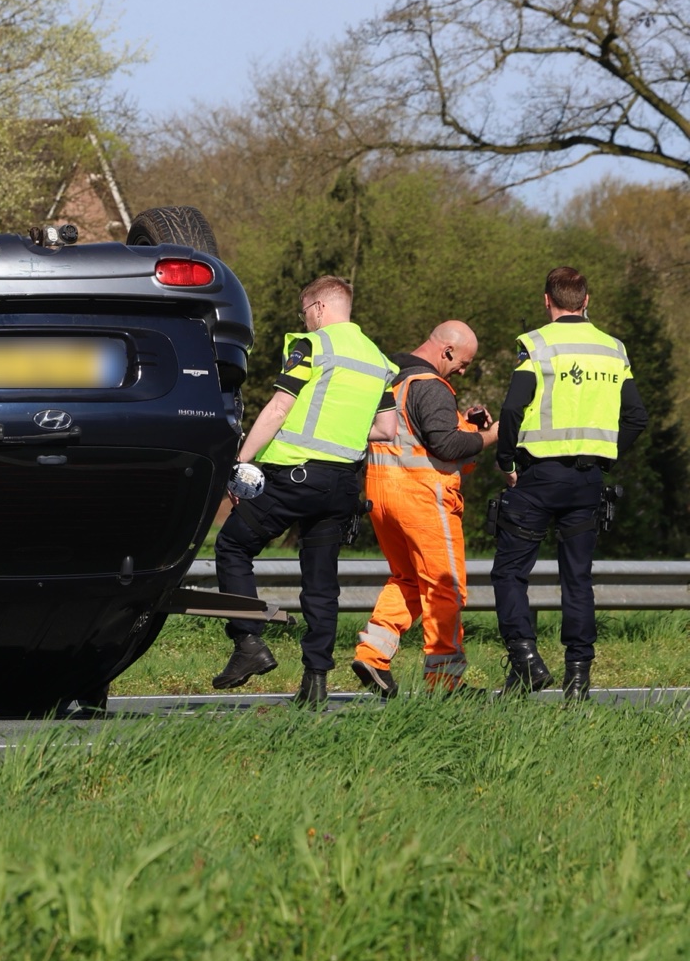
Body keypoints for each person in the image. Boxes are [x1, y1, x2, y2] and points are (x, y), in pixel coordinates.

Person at [212, 275, 399, 706]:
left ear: (317, 309)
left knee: (233, 546)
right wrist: (343, 435)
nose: (306, 321)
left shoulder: (312, 347)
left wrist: (243, 460)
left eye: (305, 313)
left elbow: (280, 406)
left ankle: (248, 643)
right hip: (341, 486)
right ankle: (315, 681)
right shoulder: (378, 360)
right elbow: (386, 430)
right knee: (321, 582)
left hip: (294, 477)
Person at [491, 266, 647, 699]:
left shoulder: (537, 344)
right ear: (587, 300)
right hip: (587, 481)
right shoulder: (613, 349)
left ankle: (525, 659)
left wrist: (506, 461)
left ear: (547, 301)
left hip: (538, 476)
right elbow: (636, 416)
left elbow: (511, 409)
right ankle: (578, 677)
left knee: (509, 572)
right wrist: (606, 455)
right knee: (577, 579)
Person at [351, 321, 498, 697]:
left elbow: (418, 436)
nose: (464, 370)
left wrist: (465, 422)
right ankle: (445, 683)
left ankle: (372, 654)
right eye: (463, 362)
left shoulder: (393, 378)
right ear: (446, 351)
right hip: (423, 501)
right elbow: (446, 448)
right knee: (445, 588)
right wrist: (492, 435)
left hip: (382, 497)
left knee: (409, 580)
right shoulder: (432, 387)